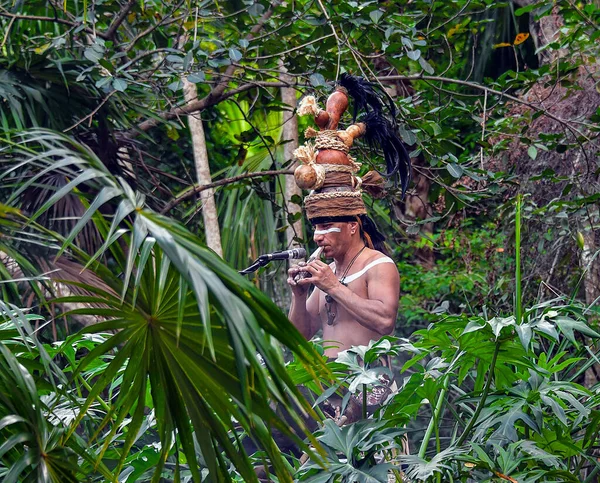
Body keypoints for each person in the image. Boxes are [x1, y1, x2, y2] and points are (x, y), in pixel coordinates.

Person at [287, 216, 399, 358]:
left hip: (368, 376)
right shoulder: (328, 272)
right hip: (330, 378)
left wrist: (333, 287)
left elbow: (385, 322)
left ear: (352, 227)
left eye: (326, 226)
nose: (317, 237)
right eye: (315, 228)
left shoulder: (379, 264)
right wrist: (299, 296)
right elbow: (298, 338)